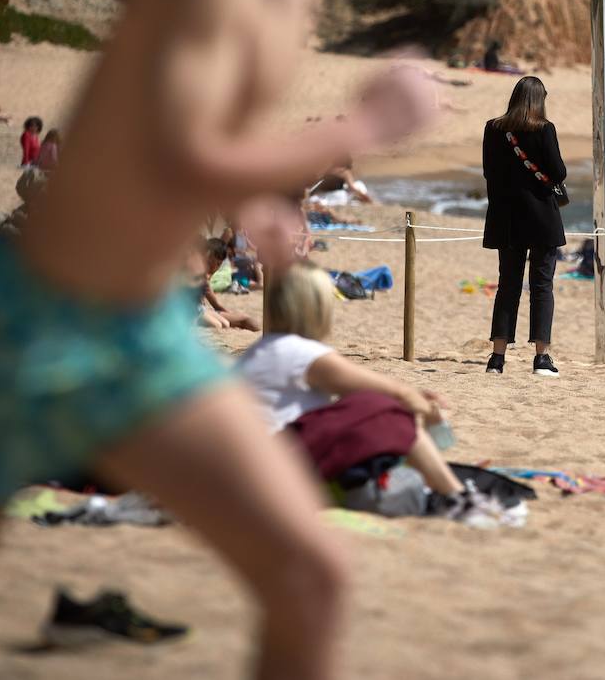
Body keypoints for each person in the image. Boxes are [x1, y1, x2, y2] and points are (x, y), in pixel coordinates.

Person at [0, 0, 437, 678]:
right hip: (21, 326)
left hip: (142, 337)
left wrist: (258, 205)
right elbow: (177, 153)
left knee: (309, 574)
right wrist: (361, 129)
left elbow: (219, 117)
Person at [237, 262, 473, 506]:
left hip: (253, 468)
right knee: (384, 408)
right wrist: (430, 410)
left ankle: (451, 492)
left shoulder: (262, 350)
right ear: (317, 308)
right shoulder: (302, 353)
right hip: (278, 472)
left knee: (371, 406)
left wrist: (410, 397)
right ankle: (458, 497)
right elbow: (394, 393)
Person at [482, 75, 566, 378]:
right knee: (542, 286)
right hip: (541, 216)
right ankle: (541, 358)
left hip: (506, 217)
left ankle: (497, 358)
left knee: (508, 286)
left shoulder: (493, 128)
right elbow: (558, 172)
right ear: (539, 99)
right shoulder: (544, 129)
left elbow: (488, 172)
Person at [193, 238, 261, 331]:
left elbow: (216, 305)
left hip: (201, 310)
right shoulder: (194, 273)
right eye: (210, 262)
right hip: (191, 312)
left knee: (246, 321)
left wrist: (228, 314)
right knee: (219, 325)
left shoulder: (206, 279)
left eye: (217, 264)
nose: (213, 267)